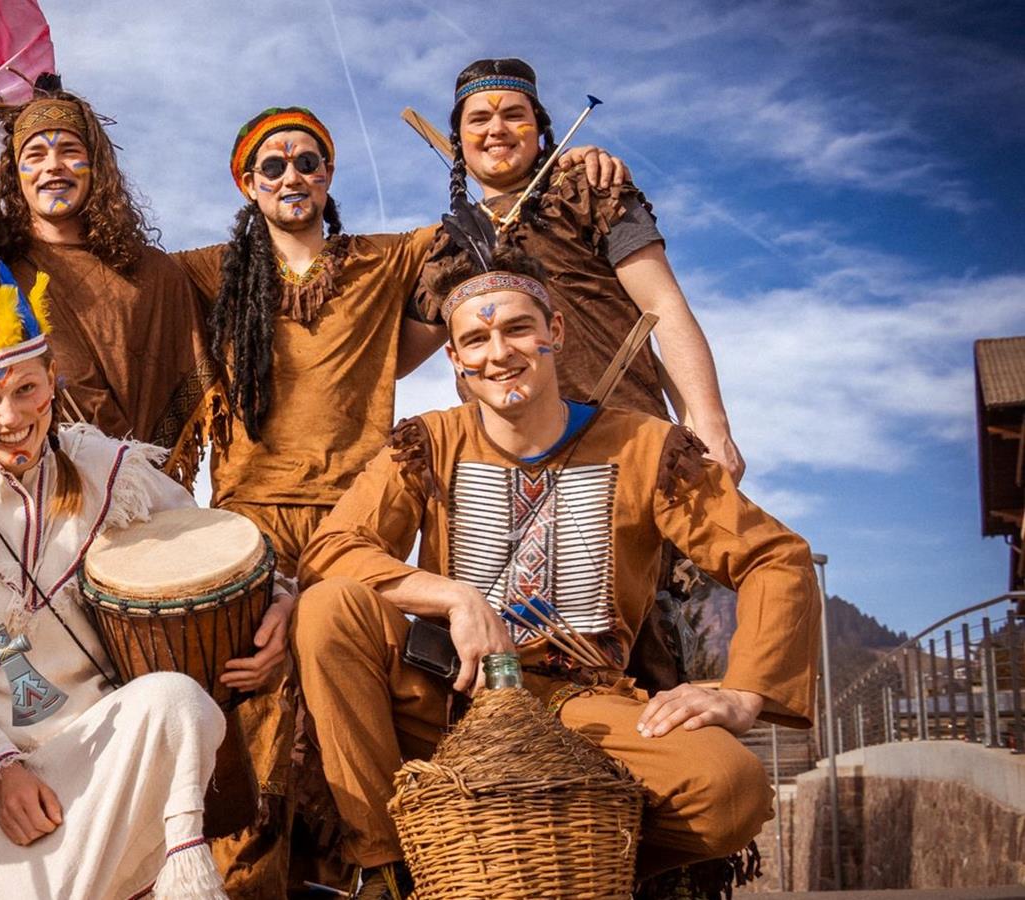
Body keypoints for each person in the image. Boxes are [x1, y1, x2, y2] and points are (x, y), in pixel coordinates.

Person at [168, 106, 626, 897]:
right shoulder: (206, 271)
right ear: (246, 183)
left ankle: (375, 873)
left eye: (307, 160)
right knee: (256, 710)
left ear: (329, 173)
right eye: (271, 166)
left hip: (354, 520)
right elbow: (108, 278)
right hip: (243, 524)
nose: (291, 177)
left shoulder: (384, 259)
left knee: (345, 702)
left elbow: (482, 218)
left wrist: (578, 166)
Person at [294, 248, 819, 898]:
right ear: (455, 360)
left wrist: (745, 691)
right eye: (476, 339)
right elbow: (331, 550)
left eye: (517, 329)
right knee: (329, 607)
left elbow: (774, 556)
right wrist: (452, 596)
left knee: (729, 791)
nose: (498, 352)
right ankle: (385, 871)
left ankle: (563, 867)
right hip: (446, 698)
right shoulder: (428, 442)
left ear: (555, 334)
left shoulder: (646, 447)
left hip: (582, 708)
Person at [0, 271, 266, 898]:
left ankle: (187, 878)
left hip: (110, 740)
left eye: (27, 389)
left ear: (52, 381)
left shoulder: (105, 466)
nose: (11, 415)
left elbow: (209, 542)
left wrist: (283, 601)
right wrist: (2, 776)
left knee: (178, 701)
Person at [404, 57, 743, 483]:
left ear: (541, 130)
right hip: (502, 470)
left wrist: (710, 425)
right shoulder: (449, 243)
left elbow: (664, 305)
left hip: (624, 446)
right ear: (459, 141)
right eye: (479, 119)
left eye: (513, 115)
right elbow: (395, 360)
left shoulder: (587, 190)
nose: (496, 129)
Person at [0, 86, 214, 477]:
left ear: (96, 166)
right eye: (35, 155)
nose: (53, 166)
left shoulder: (152, 273)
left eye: (70, 152)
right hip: (21, 486)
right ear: (15, 175)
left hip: (138, 488)